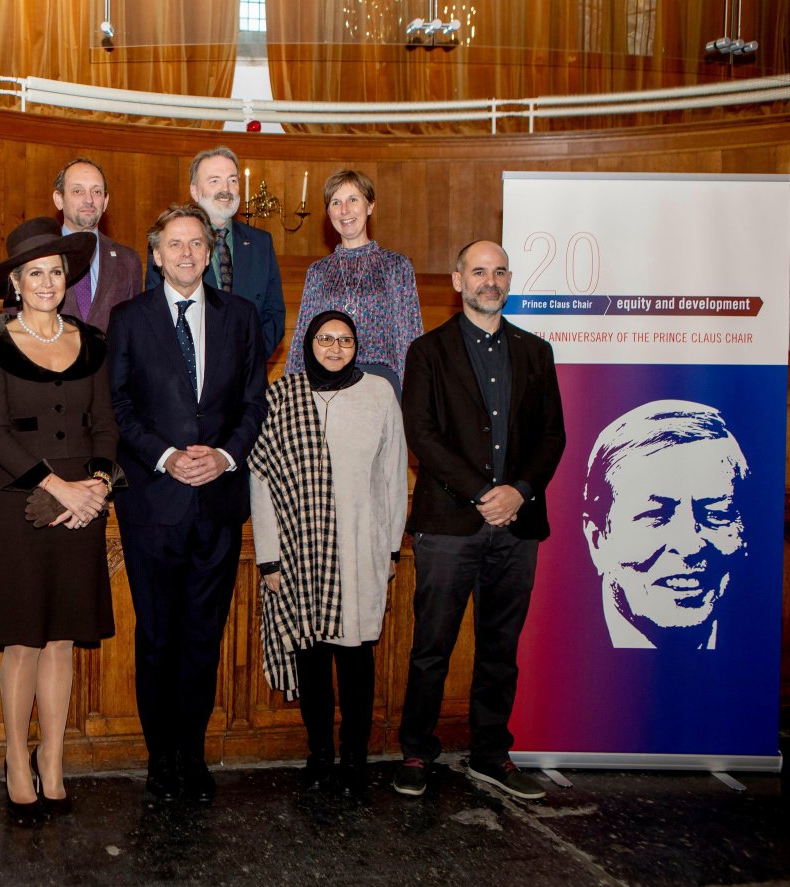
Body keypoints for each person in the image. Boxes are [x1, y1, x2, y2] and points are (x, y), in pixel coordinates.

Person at [393, 240, 565, 801]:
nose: (489, 281)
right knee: (431, 646)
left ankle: (491, 753)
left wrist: (517, 491)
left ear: (508, 281)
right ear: (457, 280)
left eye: (498, 272)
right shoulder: (428, 351)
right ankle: (417, 750)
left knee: (500, 647)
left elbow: (551, 436)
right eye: (478, 272)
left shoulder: (537, 352)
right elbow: (422, 434)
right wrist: (482, 493)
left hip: (517, 526)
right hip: (448, 524)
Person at [110, 203, 267, 803]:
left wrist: (224, 457)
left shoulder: (242, 317)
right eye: (173, 244)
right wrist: (167, 457)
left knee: (204, 636)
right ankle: (160, 758)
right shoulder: (129, 319)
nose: (184, 254)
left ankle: (193, 754)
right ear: (155, 254)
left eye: (195, 244)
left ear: (209, 252)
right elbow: (119, 406)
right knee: (157, 637)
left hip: (218, 504)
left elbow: (254, 402)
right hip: (153, 503)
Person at [0, 217, 122, 825]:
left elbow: (106, 424)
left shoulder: (91, 340)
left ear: (67, 280)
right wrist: (58, 487)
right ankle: (14, 757)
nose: (46, 281)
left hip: (84, 503)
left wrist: (98, 486)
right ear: (15, 280)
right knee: (24, 638)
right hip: (22, 501)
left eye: (56, 272)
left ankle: (53, 758)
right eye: (35, 272)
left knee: (63, 636)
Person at [249, 310, 407, 798]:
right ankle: (319, 754)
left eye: (345, 340)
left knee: (356, 659)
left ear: (357, 346)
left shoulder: (379, 394)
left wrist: (392, 546)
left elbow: (395, 475)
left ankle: (355, 757)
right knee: (312, 659)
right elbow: (261, 480)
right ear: (308, 343)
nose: (335, 348)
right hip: (299, 551)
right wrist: (270, 557)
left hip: (362, 547)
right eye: (325, 338)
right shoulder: (282, 396)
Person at [582, 400, 750, 651]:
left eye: (716, 514)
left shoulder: (754, 649)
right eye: (656, 515)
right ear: (597, 539)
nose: (690, 546)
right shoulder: (559, 653)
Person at [285, 169, 423, 401]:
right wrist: (291, 396)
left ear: (370, 206)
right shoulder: (318, 272)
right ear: (328, 212)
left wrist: (415, 398)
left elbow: (409, 338)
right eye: (336, 202)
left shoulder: (396, 266)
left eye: (353, 200)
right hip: (329, 384)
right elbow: (303, 338)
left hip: (380, 386)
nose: (345, 210)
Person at [144, 146, 285, 361]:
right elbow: (157, 314)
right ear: (194, 191)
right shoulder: (168, 244)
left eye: (232, 180)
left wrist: (248, 361)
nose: (225, 189)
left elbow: (273, 314)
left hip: (247, 376)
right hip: (189, 374)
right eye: (214, 181)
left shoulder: (261, 243)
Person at [51, 157, 143, 331]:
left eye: (97, 192)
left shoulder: (128, 261)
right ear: (59, 199)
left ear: (105, 201)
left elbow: (135, 333)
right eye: (78, 191)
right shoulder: (36, 257)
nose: (89, 200)